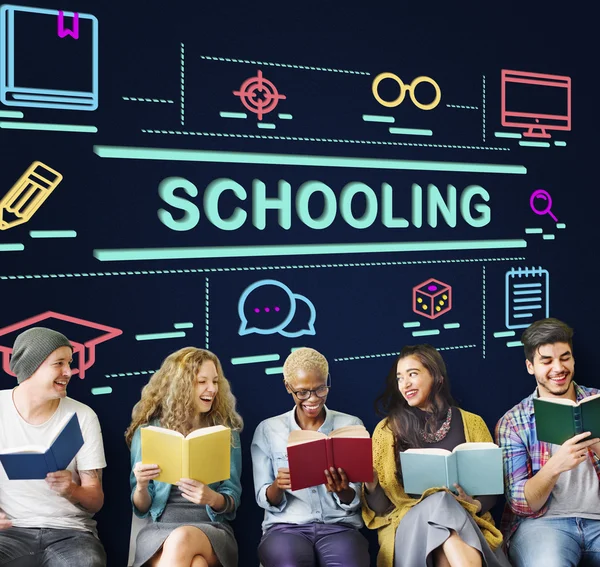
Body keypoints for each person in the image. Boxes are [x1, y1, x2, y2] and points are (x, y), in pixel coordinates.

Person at [362, 344, 509, 567]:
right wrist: (372, 484)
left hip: (464, 523)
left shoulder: (472, 423)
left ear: (437, 376)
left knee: (444, 537)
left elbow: (490, 490)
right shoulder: (387, 431)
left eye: (413, 374)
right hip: (410, 529)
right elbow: (383, 509)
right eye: (400, 378)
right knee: (440, 499)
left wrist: (475, 505)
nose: (405, 384)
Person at [251, 347, 370, 567]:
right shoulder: (268, 430)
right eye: (302, 392)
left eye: (320, 389)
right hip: (285, 528)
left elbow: (357, 497)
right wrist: (279, 486)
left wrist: (342, 490)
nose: (313, 399)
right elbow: (263, 497)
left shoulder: (351, 425)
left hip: (339, 527)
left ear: (327, 381)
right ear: (288, 387)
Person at [495, 318, 600, 566]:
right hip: (542, 525)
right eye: (547, 361)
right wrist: (555, 466)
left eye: (565, 358)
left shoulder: (597, 401)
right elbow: (521, 504)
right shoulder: (513, 422)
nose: (558, 368)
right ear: (530, 366)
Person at [125, 347, 243, 567]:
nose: (212, 389)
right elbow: (141, 508)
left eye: (215, 382)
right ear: (181, 386)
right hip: (158, 531)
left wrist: (211, 498)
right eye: (202, 382)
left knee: (183, 539)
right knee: (197, 564)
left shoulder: (226, 432)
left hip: (212, 529)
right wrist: (141, 485)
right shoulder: (149, 432)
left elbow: (232, 498)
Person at [0, 327, 107, 566]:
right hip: (10, 533)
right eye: (59, 363)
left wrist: (71, 489)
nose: (69, 372)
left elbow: (95, 500)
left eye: (69, 362)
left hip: (70, 534)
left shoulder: (82, 416)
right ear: (31, 367)